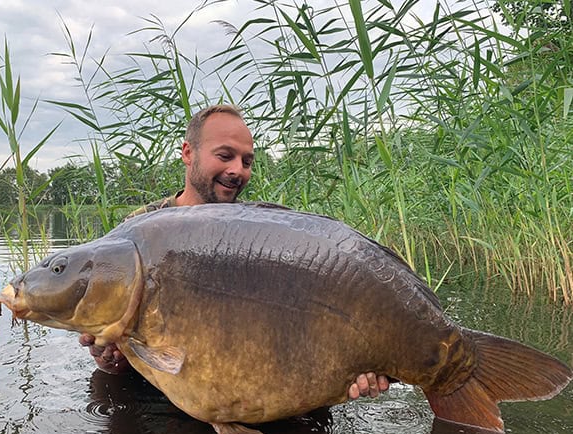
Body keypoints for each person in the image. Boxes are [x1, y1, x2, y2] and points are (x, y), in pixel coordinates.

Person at [79, 104, 390, 399]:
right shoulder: (137, 232)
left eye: (247, 161)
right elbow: (116, 358)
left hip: (248, 392)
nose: (237, 171)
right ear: (188, 153)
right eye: (225, 156)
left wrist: (354, 366)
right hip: (168, 397)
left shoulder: (265, 232)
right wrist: (109, 359)